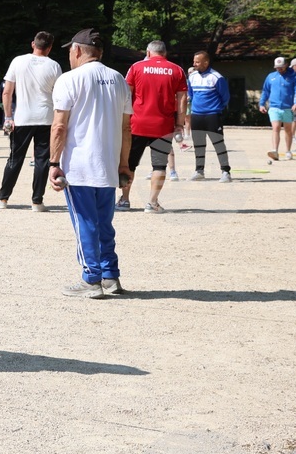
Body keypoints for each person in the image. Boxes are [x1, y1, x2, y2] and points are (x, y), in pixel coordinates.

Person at [48, 28, 132, 299]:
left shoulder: (68, 79)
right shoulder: (119, 79)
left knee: (85, 222)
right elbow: (126, 128)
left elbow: (59, 126)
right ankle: (110, 276)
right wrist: (123, 164)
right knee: (104, 223)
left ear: (76, 50)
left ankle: (90, 278)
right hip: (108, 162)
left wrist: (53, 162)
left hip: (81, 165)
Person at [0, 31, 62, 212]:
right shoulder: (54, 66)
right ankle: (37, 201)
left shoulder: (18, 61)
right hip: (46, 117)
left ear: (33, 44)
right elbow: (59, 95)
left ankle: (3, 198)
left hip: (22, 118)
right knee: (42, 160)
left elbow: (7, 92)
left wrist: (8, 117)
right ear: (49, 47)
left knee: (15, 159)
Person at [116, 40, 186, 214]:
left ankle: (124, 200)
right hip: (163, 125)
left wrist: (122, 120)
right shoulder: (176, 70)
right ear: (165, 54)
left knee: (128, 163)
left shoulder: (136, 67)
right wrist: (179, 123)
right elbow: (183, 99)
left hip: (136, 123)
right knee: (160, 166)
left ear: (148, 53)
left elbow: (125, 94)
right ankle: (152, 203)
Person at [187, 51, 233, 181]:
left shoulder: (217, 77)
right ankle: (199, 171)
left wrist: (216, 109)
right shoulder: (192, 77)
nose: (194, 64)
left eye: (197, 62)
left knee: (218, 144)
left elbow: (225, 97)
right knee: (199, 145)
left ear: (205, 62)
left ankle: (225, 172)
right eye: (194, 61)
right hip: (196, 115)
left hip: (212, 115)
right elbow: (191, 94)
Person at [259, 56, 296, 161]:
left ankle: (288, 151)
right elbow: (265, 91)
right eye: (277, 67)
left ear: (286, 65)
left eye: (281, 67)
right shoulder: (271, 76)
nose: (279, 69)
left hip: (287, 107)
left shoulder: (293, 76)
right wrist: (262, 104)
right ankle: (275, 150)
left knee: (288, 130)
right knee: (275, 128)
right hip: (274, 107)